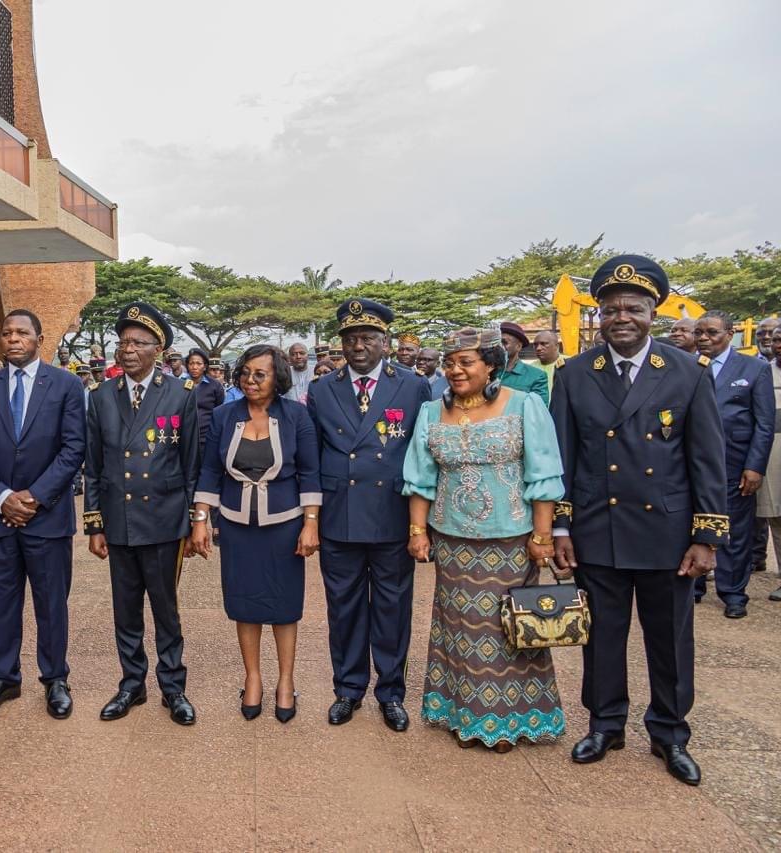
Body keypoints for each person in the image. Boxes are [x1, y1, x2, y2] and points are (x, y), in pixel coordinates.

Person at [551, 255, 726, 786]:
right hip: (597, 528)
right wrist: (560, 527)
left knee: (669, 638)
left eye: (634, 307)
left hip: (665, 533)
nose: (621, 316)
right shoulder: (575, 373)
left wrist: (705, 535)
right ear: (597, 315)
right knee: (601, 635)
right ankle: (605, 724)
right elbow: (563, 454)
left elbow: (707, 458)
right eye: (610, 308)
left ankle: (670, 733)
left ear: (654, 311)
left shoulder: (685, 373)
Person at [402, 326, 566, 751]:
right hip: (452, 542)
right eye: (450, 363)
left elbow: (543, 473)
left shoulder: (525, 405)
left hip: (511, 541)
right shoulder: (429, 412)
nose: (455, 370)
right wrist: (418, 531)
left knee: (508, 627)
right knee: (459, 629)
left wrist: (544, 536)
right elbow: (420, 479)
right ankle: (462, 713)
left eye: (466, 362)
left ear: (491, 365)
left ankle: (509, 721)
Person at [307, 299, 431, 731]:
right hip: (339, 513)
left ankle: (391, 692)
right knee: (343, 607)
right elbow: (313, 453)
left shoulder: (413, 386)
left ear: (386, 343)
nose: (358, 346)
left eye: (367, 338)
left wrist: (422, 521)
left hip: (391, 514)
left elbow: (422, 452)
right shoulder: (323, 389)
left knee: (393, 608)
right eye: (350, 338)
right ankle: (348, 688)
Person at [0, 309, 85, 718]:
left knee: (52, 603)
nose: (13, 339)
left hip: (46, 517)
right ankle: (4, 677)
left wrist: (33, 497)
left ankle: (55, 679)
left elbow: (73, 449)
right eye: (7, 333)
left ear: (39, 338)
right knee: (2, 601)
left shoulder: (66, 384)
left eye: (22, 333)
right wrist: (1, 497)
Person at [190, 344, 319, 723]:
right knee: (244, 603)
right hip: (235, 524)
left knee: (283, 605)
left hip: (284, 525)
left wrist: (311, 522)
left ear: (277, 377)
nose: (250, 380)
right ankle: (253, 677)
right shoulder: (224, 415)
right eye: (245, 372)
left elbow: (310, 472)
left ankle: (285, 681)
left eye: (259, 374)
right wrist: (201, 518)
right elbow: (210, 470)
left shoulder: (296, 415)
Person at [86, 302, 200, 725]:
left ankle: (173, 686)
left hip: (165, 521)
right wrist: (94, 523)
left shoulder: (180, 394)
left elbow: (192, 464)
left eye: (137, 343)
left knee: (166, 609)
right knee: (125, 607)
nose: (127, 349)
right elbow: (93, 464)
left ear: (158, 349)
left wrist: (193, 523)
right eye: (123, 342)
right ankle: (131, 684)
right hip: (119, 520)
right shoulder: (101, 396)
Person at [692, 309, 773, 616]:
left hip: (735, 464)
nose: (704, 338)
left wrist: (755, 467)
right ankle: (695, 587)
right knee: (692, 523)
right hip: (692, 463)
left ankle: (733, 593)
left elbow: (764, 424)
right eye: (699, 332)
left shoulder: (753, 368)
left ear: (729, 335)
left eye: (711, 332)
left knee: (735, 531)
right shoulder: (687, 365)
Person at [756, 329, 781, 601]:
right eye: (776, 339)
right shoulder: (764, 373)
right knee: (777, 516)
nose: (777, 345)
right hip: (774, 452)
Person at [497, 322, 549, 406]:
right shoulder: (486, 372)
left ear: (518, 346)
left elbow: (539, 411)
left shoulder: (536, 376)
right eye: (496, 342)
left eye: (504, 342)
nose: (499, 346)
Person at [185, 348, 225, 448]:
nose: (194, 367)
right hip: (184, 436)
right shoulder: (179, 384)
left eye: (199, 364)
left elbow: (219, 409)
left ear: (205, 366)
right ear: (187, 365)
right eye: (191, 363)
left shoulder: (215, 386)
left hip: (206, 437)